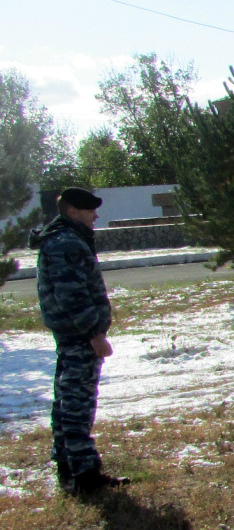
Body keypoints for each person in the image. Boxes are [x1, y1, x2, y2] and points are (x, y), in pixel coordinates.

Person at [32, 187, 127, 495]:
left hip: (73, 336)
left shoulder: (61, 239)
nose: (95, 215)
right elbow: (72, 296)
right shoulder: (67, 243)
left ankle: (67, 465)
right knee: (77, 404)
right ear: (73, 212)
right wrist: (94, 334)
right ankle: (84, 474)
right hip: (79, 337)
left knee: (66, 402)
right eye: (90, 210)